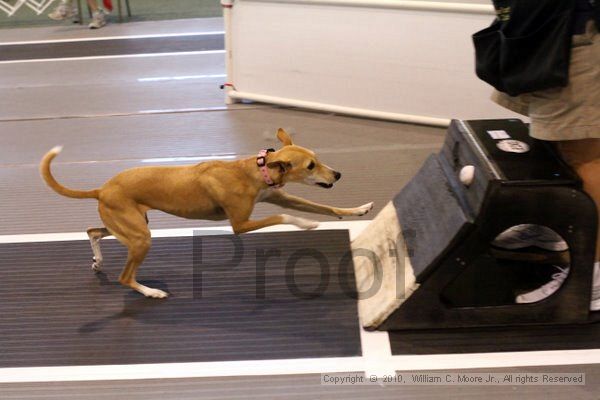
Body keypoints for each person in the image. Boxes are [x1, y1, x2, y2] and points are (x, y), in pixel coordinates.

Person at [488, 0, 600, 310]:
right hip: (541, 26)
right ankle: (553, 227)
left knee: (585, 152)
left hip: (579, 29)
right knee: (552, 136)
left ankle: (594, 277)